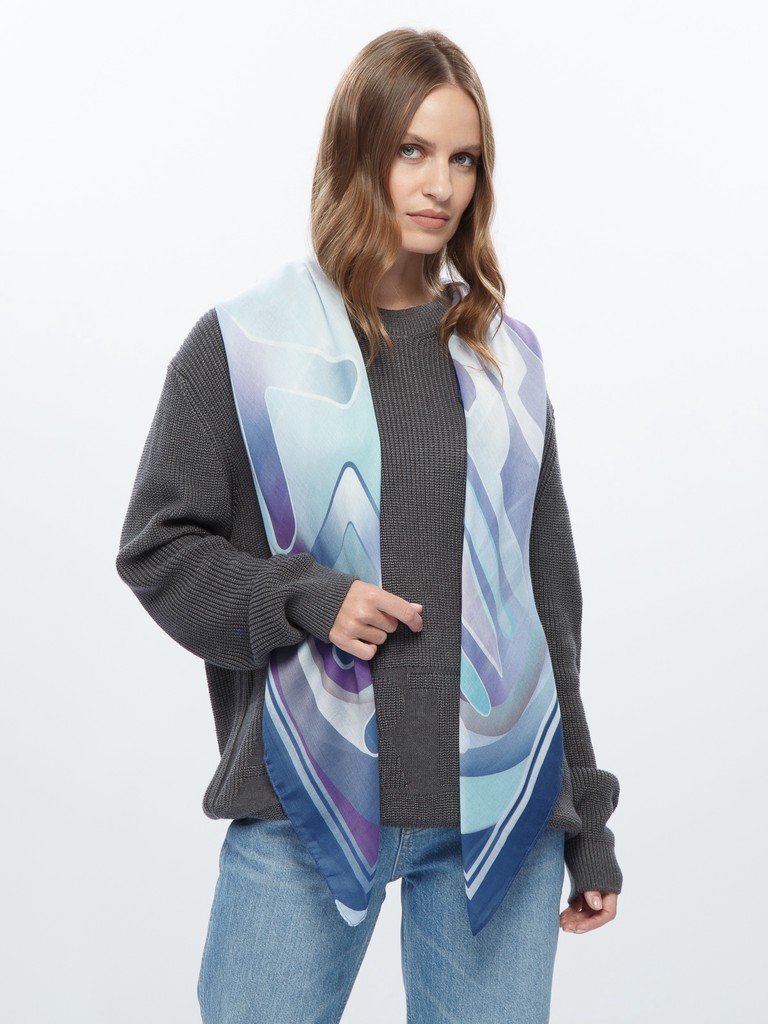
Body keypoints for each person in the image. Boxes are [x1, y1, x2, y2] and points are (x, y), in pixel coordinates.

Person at [117, 27, 621, 1024]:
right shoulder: (246, 345)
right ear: (357, 152)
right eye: (412, 150)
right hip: (303, 800)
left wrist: (586, 819)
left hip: (498, 813)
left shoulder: (506, 362)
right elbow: (157, 547)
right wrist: (307, 598)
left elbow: (548, 605)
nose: (440, 185)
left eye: (463, 159)